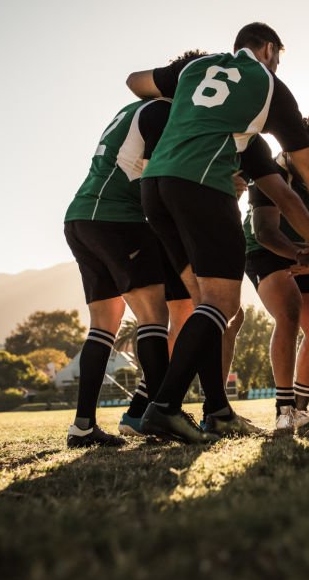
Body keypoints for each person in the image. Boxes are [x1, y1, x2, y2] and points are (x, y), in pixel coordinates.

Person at [128, 23, 309, 444]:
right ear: (267, 49)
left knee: (208, 306)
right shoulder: (268, 85)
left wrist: (182, 103)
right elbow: (307, 166)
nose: (276, 64)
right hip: (202, 187)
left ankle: (216, 411)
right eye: (277, 57)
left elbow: (135, 82)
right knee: (222, 305)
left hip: (156, 187)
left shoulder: (200, 68)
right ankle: (163, 406)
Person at [63, 51, 205, 448]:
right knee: (153, 316)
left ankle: (83, 427)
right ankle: (160, 414)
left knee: (105, 322)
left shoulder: (133, 108)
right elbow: (161, 176)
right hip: (117, 218)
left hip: (80, 217)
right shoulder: (161, 113)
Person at [244, 120, 309, 431]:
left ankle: (300, 408)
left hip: (303, 249)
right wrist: (303, 255)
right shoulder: (267, 172)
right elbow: (266, 233)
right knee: (289, 312)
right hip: (264, 249)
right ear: (287, 150)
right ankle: (283, 410)